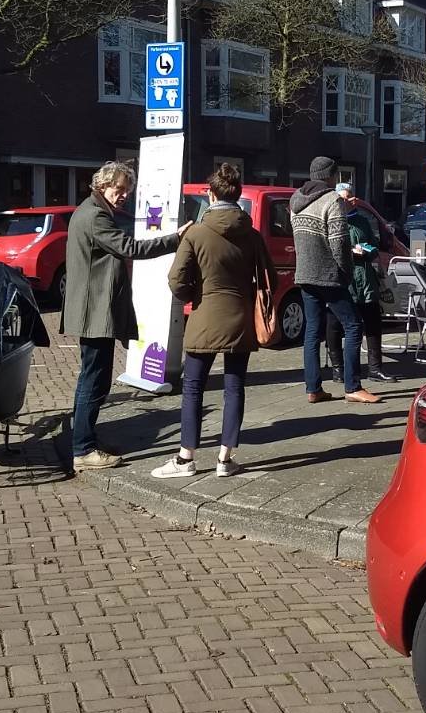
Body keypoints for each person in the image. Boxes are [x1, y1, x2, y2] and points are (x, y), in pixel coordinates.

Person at [154, 163, 276, 479]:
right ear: (237, 196)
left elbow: (176, 279)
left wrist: (194, 295)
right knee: (234, 387)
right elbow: (269, 279)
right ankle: (225, 458)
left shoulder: (195, 233)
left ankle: (186, 458)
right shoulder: (252, 235)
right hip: (240, 319)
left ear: (210, 195)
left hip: (205, 316)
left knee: (193, 387)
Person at [63, 161, 185, 472]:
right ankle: (83, 449)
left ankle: (83, 439)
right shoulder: (95, 216)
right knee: (94, 381)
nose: (124, 196)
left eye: (127, 191)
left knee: (92, 378)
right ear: (102, 185)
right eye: (119, 189)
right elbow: (130, 248)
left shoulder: (89, 210)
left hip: (92, 310)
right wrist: (175, 238)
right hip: (95, 313)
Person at [290, 156, 380, 405]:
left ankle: (313, 388)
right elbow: (339, 243)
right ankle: (353, 386)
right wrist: (345, 272)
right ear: (331, 176)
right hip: (329, 275)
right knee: (353, 326)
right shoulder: (332, 201)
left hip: (304, 273)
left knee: (312, 330)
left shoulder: (295, 200)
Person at [325, 189, 395, 383]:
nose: (346, 201)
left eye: (349, 197)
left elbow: (374, 247)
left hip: (365, 279)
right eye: (342, 197)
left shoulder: (363, 221)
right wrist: (349, 252)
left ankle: (375, 369)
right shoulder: (332, 221)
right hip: (342, 280)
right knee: (335, 324)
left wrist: (368, 251)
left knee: (373, 323)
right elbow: (328, 250)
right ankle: (338, 370)